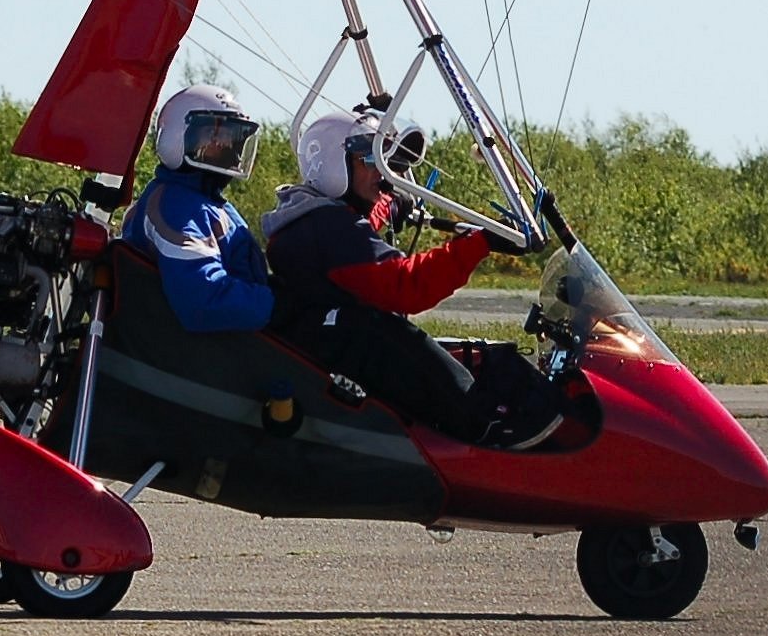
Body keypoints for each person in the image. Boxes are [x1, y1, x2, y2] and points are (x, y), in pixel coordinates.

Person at [262, 111, 562, 449]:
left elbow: (360, 222)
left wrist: (390, 204)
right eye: (370, 159)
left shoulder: (313, 214)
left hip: (327, 335)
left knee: (482, 356)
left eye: (384, 160)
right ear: (333, 164)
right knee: (394, 336)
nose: (382, 172)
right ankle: (479, 426)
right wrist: (482, 243)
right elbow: (408, 286)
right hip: (341, 345)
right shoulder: (327, 229)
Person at [120, 84, 277, 333]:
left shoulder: (206, 203)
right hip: (193, 361)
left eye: (232, 137)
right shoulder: (177, 207)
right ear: (177, 137)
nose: (228, 148)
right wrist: (279, 305)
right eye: (214, 136)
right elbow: (204, 300)